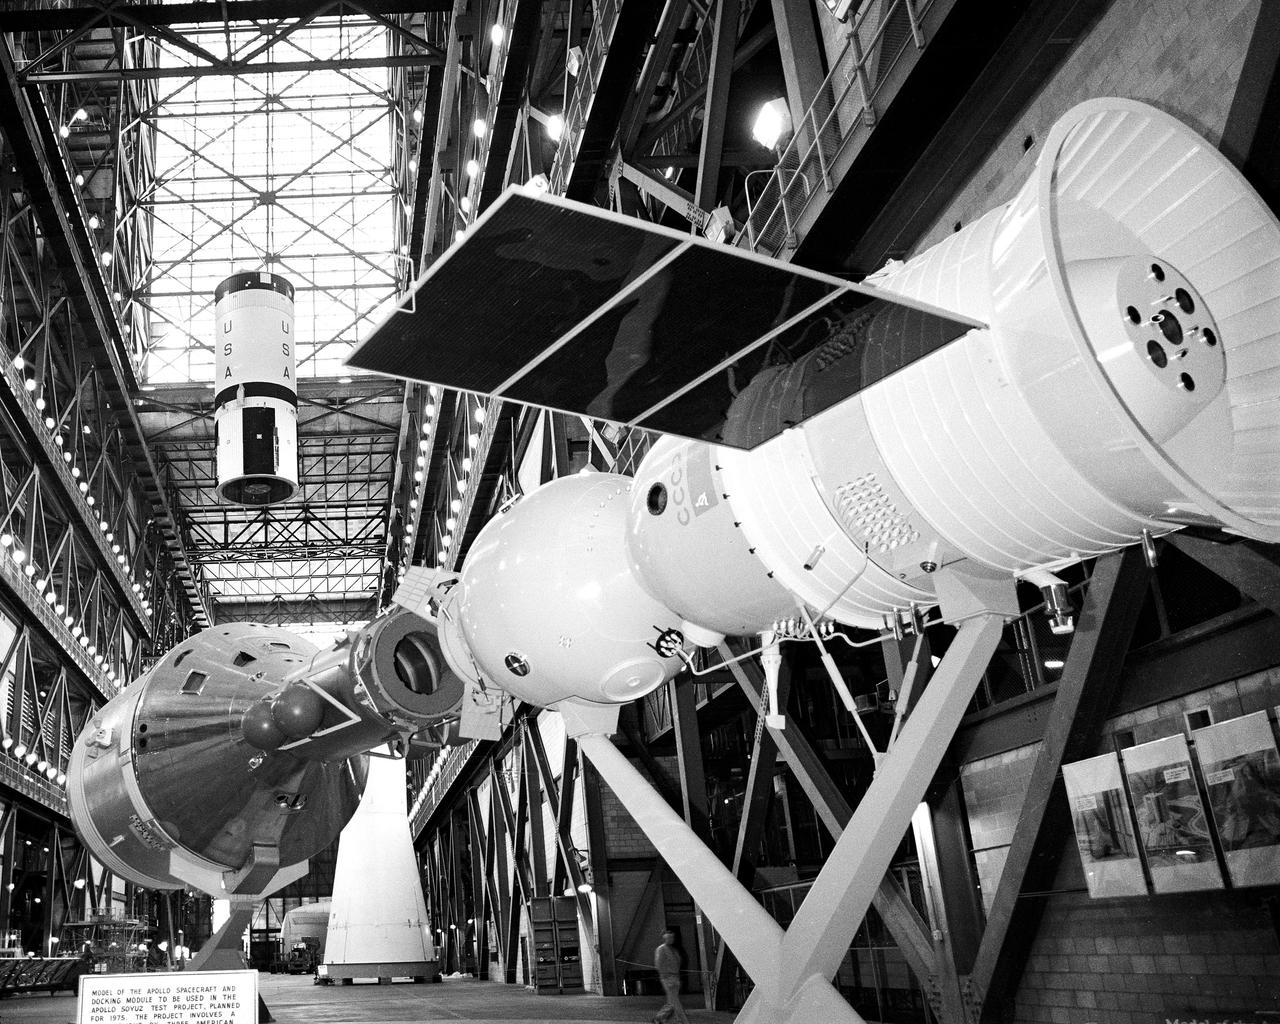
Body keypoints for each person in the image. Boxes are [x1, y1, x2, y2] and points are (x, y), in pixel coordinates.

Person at [652, 928, 689, 1024]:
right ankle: (683, 1021)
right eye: (669, 937)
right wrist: (665, 976)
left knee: (672, 1002)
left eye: (672, 937)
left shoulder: (673, 950)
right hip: (668, 978)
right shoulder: (661, 949)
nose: (672, 939)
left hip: (675, 978)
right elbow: (658, 964)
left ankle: (659, 1018)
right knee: (676, 1002)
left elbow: (678, 963)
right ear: (665, 938)